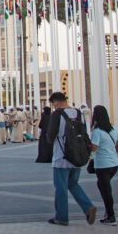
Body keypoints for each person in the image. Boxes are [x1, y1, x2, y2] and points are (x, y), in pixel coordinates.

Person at [45, 92, 97, 226]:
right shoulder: (78, 113)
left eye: (53, 104)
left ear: (56, 102)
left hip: (61, 157)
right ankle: (88, 206)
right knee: (73, 184)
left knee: (61, 188)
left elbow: (50, 136)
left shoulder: (57, 114)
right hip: (76, 156)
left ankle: (61, 217)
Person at [90, 105, 118, 225]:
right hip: (114, 164)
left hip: (102, 165)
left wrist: (86, 145)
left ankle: (111, 216)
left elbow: (94, 148)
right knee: (102, 186)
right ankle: (108, 213)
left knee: (106, 191)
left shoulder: (97, 131)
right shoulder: (113, 129)